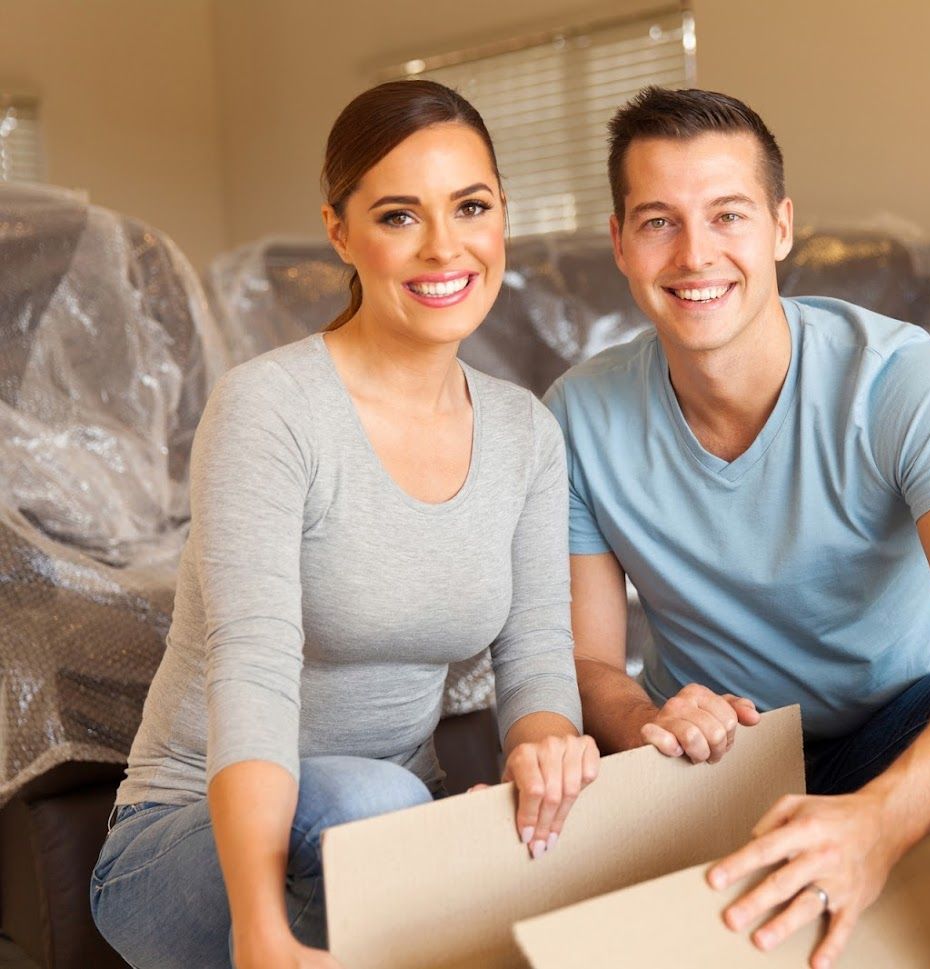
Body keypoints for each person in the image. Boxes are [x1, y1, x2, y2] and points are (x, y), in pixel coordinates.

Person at [543, 86, 930, 968]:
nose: (696, 255)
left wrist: (879, 823)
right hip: (727, 763)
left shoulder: (898, 383)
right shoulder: (579, 415)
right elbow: (586, 664)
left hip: (905, 735)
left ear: (780, 227)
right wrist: (653, 716)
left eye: (728, 215)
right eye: (658, 222)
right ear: (619, 242)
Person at [90, 80, 597, 969]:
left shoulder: (525, 430)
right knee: (367, 801)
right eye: (400, 216)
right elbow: (250, 668)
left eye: (470, 206)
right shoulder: (272, 409)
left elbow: (538, 657)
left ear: (502, 214)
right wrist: (260, 930)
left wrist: (549, 752)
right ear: (340, 232)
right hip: (193, 846)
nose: (446, 247)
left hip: (393, 829)